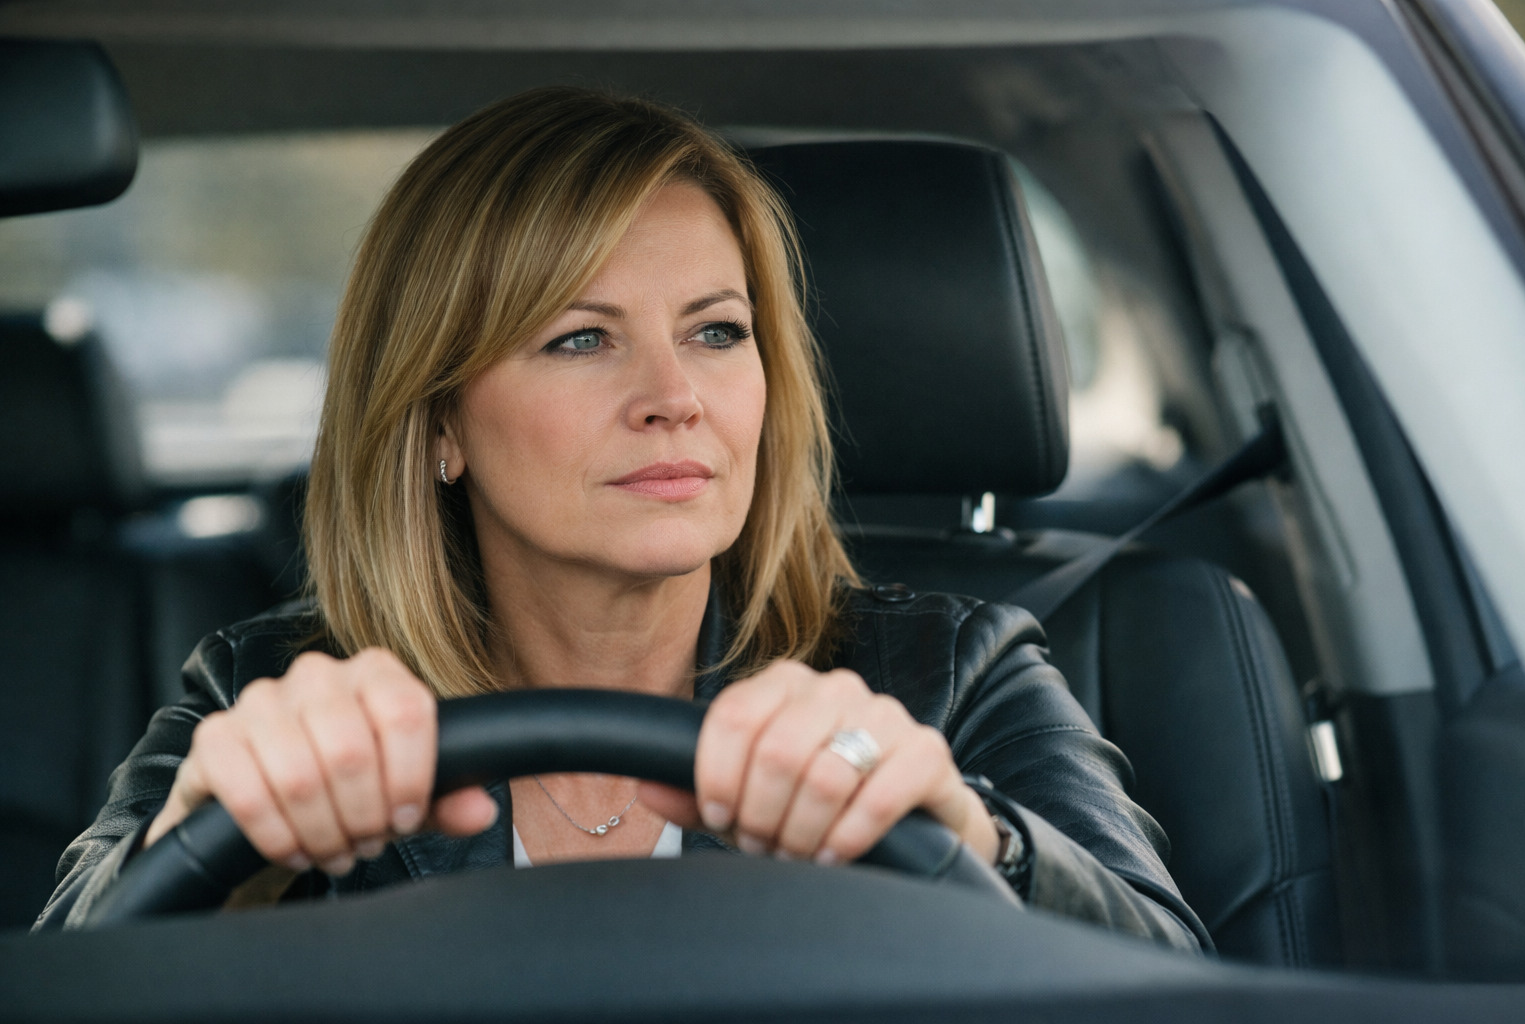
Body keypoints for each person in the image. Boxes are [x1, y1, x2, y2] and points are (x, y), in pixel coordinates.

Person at [35, 87, 1209, 950]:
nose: (674, 399)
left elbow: (1173, 976)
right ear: (439, 420)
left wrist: (976, 836)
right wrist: (214, 849)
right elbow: (67, 969)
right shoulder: (267, 698)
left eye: (715, 331)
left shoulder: (950, 676)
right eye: (581, 338)